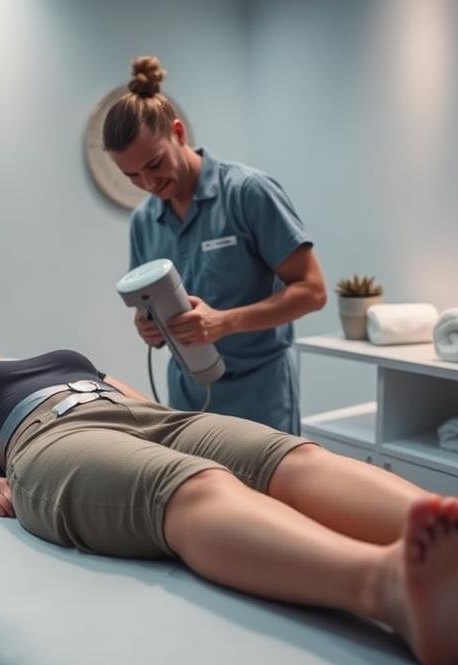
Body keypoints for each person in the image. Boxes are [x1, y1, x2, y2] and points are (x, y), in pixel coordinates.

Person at [0, 321, 458, 665]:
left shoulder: (56, 357)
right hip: (50, 442)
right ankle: (385, 588)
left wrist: (181, 430)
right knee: (196, 488)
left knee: (285, 457)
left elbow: (139, 403)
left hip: (146, 418)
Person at [103, 56, 327, 434]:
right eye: (132, 176)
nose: (148, 183)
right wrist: (150, 328)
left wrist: (224, 323)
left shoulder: (248, 193)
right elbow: (147, 307)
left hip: (261, 395)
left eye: (155, 164)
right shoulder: (144, 221)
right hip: (188, 395)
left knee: (265, 493)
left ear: (178, 132)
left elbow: (313, 291)